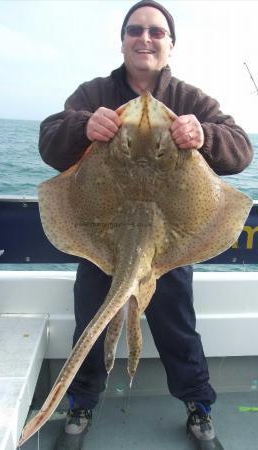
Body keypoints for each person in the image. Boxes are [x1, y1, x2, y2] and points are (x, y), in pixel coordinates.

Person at [39, 1, 253, 449]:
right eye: (135, 30)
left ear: (170, 45)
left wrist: (204, 135)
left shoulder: (192, 100)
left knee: (177, 325)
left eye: (156, 32)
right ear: (123, 41)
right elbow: (50, 142)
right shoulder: (94, 92)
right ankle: (80, 402)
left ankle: (199, 406)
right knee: (92, 319)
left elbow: (240, 150)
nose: (145, 38)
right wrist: (83, 126)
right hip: (105, 239)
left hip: (168, 245)